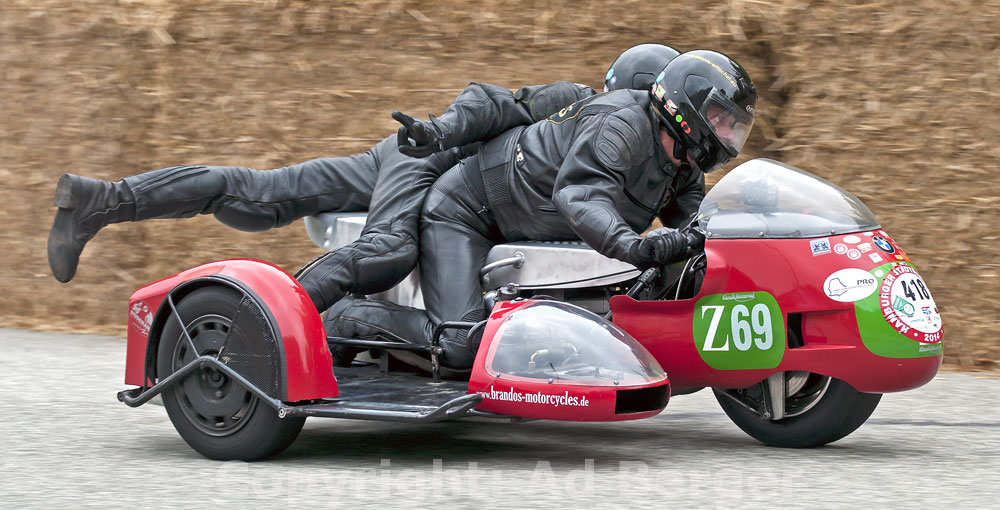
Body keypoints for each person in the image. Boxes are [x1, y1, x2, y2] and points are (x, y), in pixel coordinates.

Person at [47, 44, 679, 319]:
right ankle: (283, 320)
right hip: (430, 160)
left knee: (262, 198)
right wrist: (439, 129)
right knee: (387, 250)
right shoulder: (584, 109)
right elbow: (493, 103)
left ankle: (101, 200)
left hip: (417, 156)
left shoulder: (627, 134)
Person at [324, 49, 758, 369]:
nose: (728, 132)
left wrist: (746, 226)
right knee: (462, 346)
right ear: (685, 109)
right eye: (721, 118)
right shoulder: (621, 126)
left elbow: (697, 224)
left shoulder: (684, 164)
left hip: (531, 230)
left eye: (734, 124)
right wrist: (637, 247)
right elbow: (581, 197)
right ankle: (348, 317)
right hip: (468, 213)